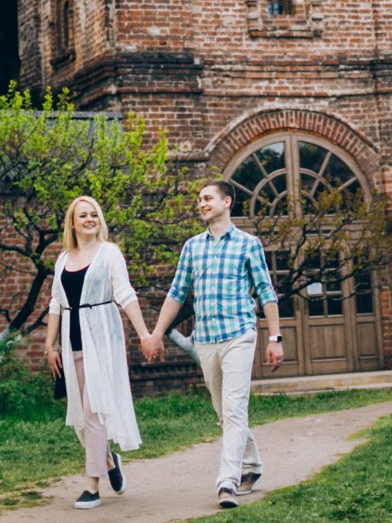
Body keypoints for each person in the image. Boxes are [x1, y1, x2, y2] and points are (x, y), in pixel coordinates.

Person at [146, 180, 284, 510]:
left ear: (227, 202)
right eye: (199, 200)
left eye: (208, 198)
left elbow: (266, 293)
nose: (202, 204)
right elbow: (177, 294)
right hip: (206, 340)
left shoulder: (249, 245)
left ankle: (227, 482)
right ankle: (252, 465)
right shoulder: (192, 247)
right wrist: (156, 333)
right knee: (224, 412)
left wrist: (275, 337)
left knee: (235, 409)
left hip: (239, 334)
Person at [46, 195, 160, 511]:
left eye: (94, 213)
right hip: (72, 345)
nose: (90, 219)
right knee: (81, 418)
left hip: (102, 341)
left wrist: (144, 334)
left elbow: (124, 294)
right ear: (72, 222)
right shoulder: (62, 259)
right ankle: (109, 461)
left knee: (94, 412)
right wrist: (49, 346)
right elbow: (56, 303)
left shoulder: (110, 254)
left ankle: (91, 485)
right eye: (83, 215)